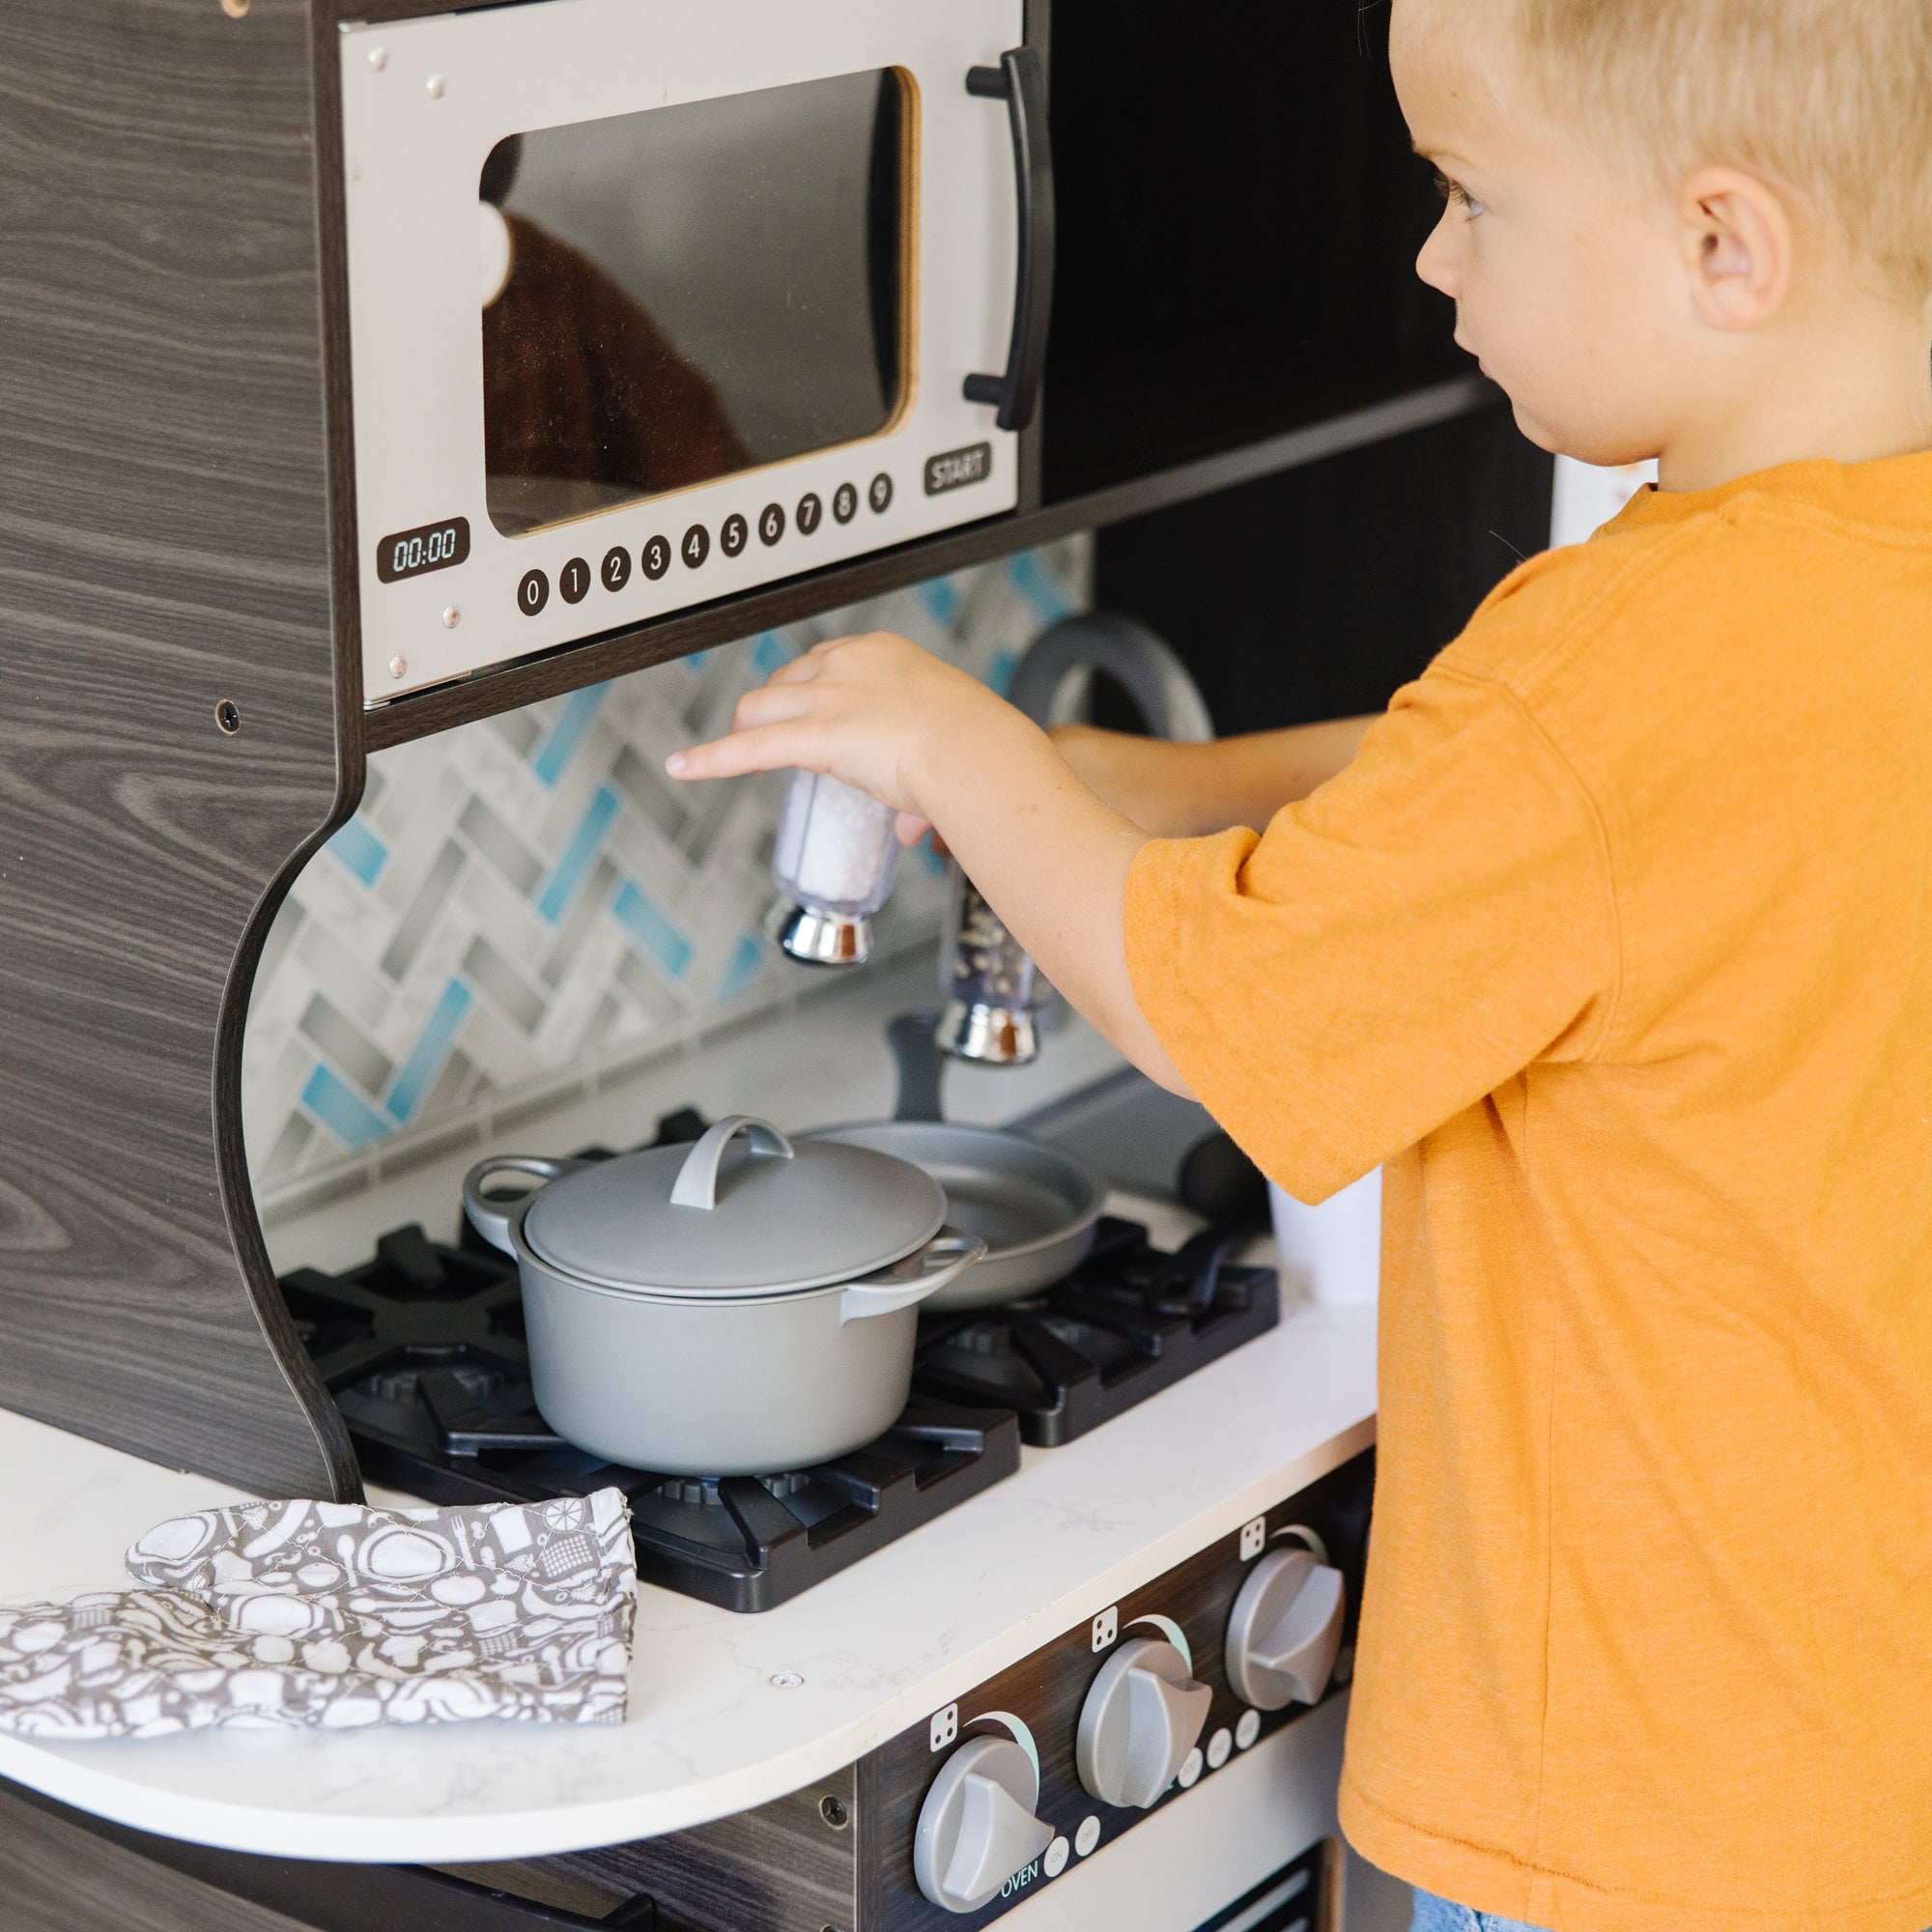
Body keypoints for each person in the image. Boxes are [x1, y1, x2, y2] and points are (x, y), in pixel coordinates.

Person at [668, 1, 1932, 1925]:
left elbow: (1222, 1016)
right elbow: (1528, 799)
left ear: (1722, 245)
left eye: (1469, 194)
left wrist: (965, 750)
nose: (1427, 254)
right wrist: (1149, 789)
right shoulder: (1839, 577)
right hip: (1851, 1750)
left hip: (1624, 1803)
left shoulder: (1607, 664)